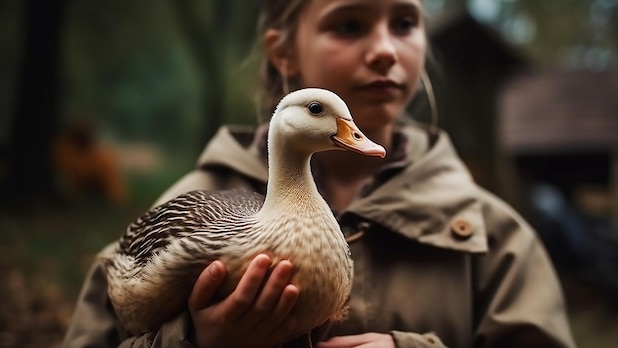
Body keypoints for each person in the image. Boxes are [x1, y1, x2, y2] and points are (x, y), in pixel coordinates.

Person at [63, 0, 578, 347]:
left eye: (404, 23)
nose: (385, 50)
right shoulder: (187, 203)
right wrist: (191, 340)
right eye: (349, 25)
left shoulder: (497, 238)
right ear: (282, 49)